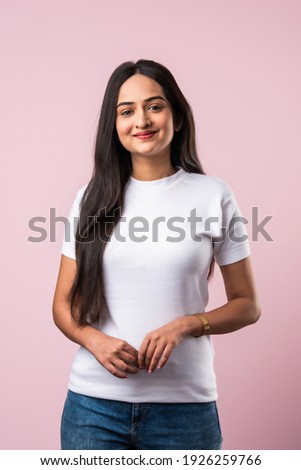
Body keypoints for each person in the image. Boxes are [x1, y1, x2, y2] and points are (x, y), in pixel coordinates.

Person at [52, 59, 261, 450]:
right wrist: (95, 342)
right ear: (114, 127)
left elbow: (247, 305)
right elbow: (62, 305)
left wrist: (186, 325)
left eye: (154, 106)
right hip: (93, 410)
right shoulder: (90, 198)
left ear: (177, 118)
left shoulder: (213, 195)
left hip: (185, 412)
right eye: (126, 111)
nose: (141, 121)